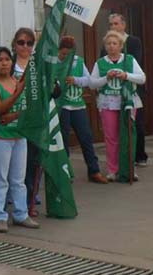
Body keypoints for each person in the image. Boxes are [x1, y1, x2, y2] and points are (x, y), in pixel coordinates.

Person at [0, 47, 38, 233]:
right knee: (0, 178)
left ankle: (21, 214)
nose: (4, 63)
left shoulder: (16, 81)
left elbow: (27, 110)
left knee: (18, 179)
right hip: (0, 137)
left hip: (19, 135)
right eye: (0, 60)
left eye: (7, 59)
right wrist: (17, 93)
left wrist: (14, 116)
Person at [89, 31, 146, 182]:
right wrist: (106, 77)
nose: (111, 46)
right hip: (108, 102)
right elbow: (92, 83)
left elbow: (142, 78)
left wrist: (126, 75)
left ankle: (129, 169)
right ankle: (113, 169)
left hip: (127, 102)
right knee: (111, 137)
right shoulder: (100, 63)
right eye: (108, 44)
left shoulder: (129, 60)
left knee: (128, 135)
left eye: (115, 44)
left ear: (121, 46)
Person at [55, 36, 108, 184]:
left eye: (68, 54)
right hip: (62, 105)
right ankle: (65, 172)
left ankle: (94, 171)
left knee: (86, 138)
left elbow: (90, 81)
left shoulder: (78, 61)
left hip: (78, 104)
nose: (66, 57)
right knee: (63, 140)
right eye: (63, 54)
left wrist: (76, 80)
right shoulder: (54, 62)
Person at [101, 13, 147, 166]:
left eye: (116, 24)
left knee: (136, 125)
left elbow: (136, 61)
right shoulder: (106, 45)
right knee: (114, 129)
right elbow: (102, 64)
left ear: (123, 25)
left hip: (130, 88)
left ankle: (139, 156)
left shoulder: (133, 41)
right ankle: (120, 160)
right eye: (111, 24)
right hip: (112, 92)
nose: (113, 27)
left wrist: (124, 72)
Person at [11, 27, 40, 213]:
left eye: (29, 43)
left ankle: (30, 196)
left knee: (32, 160)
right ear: (14, 44)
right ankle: (11, 197)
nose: (25, 46)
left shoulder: (38, 64)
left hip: (34, 119)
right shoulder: (7, 62)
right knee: (12, 163)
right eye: (21, 42)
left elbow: (53, 87)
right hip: (13, 119)